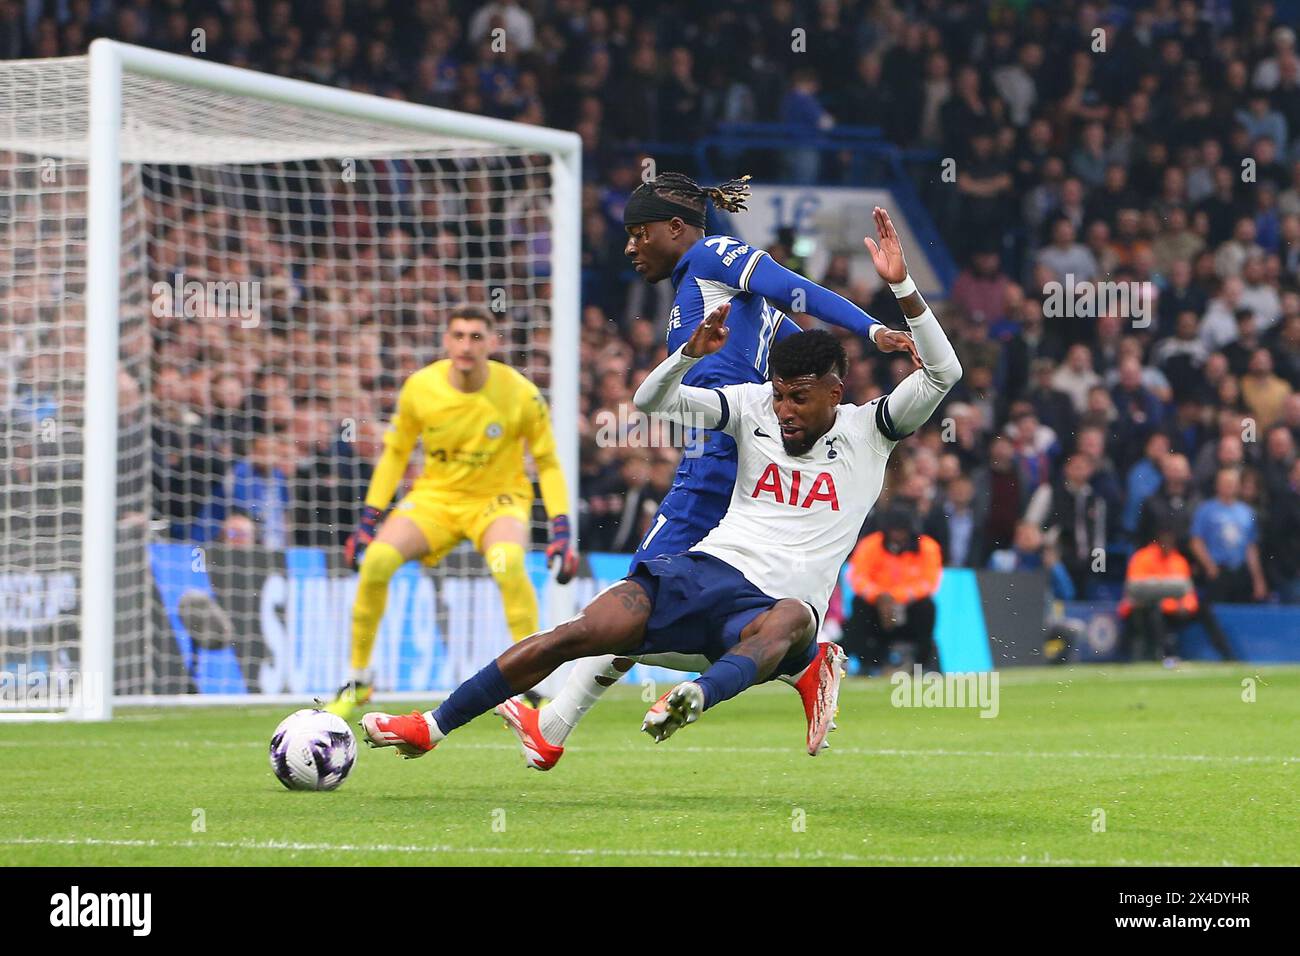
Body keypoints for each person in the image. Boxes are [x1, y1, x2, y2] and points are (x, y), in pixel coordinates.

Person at [359, 207, 961, 764]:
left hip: (762, 567)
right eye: (780, 394)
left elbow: (935, 367)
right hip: (711, 560)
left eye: (638, 232)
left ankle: (652, 705)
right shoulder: (753, 404)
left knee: (777, 627)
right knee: (593, 627)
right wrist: (684, 358)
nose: (784, 410)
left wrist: (896, 302)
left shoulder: (870, 426)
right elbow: (654, 402)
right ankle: (441, 726)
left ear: (835, 392)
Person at [523, 174, 921, 766]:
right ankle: (552, 727)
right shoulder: (737, 312)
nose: (630, 247)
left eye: (640, 233)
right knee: (643, 606)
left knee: (637, 604)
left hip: (722, 458)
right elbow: (790, 335)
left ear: (676, 229)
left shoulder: (713, 256)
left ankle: (799, 662)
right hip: (727, 450)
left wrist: (872, 329)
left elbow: (795, 288)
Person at [324, 305, 578, 718]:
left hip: (497, 502)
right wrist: (368, 521)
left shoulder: (520, 393)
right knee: (377, 563)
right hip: (435, 499)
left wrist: (562, 530)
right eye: (458, 336)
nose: (466, 345)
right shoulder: (420, 388)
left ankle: (533, 688)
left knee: (508, 563)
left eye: (476, 336)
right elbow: (394, 456)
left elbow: (547, 463)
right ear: (446, 341)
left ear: (492, 343)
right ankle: (359, 680)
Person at [842, 507, 943, 672]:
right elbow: (857, 577)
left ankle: (921, 665)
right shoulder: (870, 545)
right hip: (875, 607)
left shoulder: (927, 547)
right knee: (858, 605)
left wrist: (897, 597)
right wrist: (879, 597)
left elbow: (929, 582)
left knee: (927, 607)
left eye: (902, 531)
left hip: (910, 609)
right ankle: (867, 664)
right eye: (894, 531)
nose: (898, 536)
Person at [1120, 520, 1235, 663]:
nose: (1167, 542)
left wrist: (1185, 607)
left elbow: (1188, 591)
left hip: (1174, 610)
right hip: (1147, 609)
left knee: (1204, 609)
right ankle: (1162, 655)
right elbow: (1135, 590)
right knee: (1154, 610)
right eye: (1164, 538)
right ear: (1158, 539)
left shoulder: (1178, 560)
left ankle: (1228, 655)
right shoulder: (1143, 558)